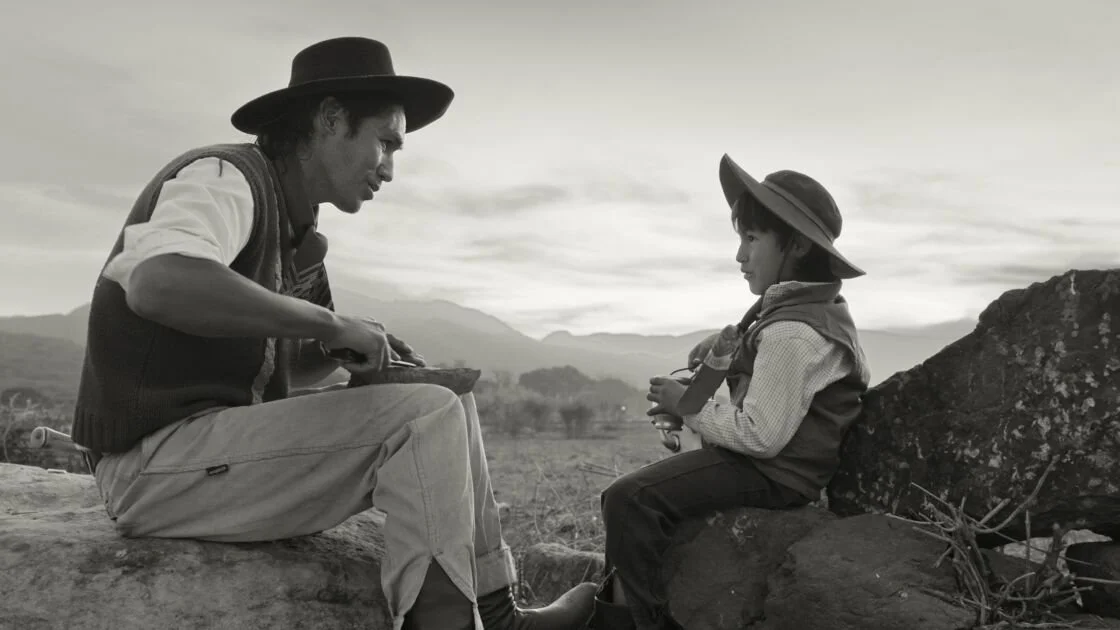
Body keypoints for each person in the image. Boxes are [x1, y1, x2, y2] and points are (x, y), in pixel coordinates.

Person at [71, 36, 595, 630]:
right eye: (386, 142)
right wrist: (330, 322)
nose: (391, 169)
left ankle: (498, 612)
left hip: (212, 450)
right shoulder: (222, 177)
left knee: (449, 400)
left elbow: (288, 357)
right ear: (329, 119)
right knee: (420, 417)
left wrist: (352, 350)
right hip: (152, 465)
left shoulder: (302, 235)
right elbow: (160, 284)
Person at [584, 154, 873, 630]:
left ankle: (628, 622)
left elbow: (762, 435)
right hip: (779, 466)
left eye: (752, 239)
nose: (740, 255)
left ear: (796, 246)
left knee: (630, 500)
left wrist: (688, 404)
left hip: (777, 473)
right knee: (649, 491)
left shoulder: (793, 332)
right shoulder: (807, 309)